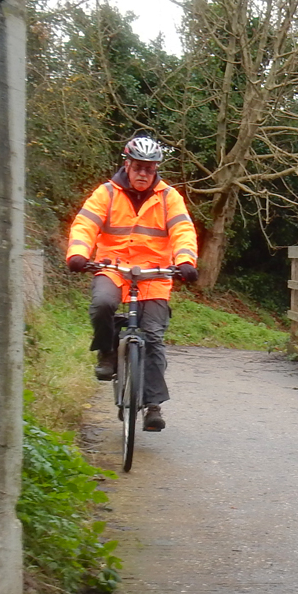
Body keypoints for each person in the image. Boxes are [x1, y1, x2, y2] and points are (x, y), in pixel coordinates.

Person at [66, 136, 199, 432]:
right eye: (138, 167)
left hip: (155, 274)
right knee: (103, 304)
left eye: (149, 169)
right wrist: (78, 254)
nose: (143, 174)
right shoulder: (107, 194)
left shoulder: (168, 197)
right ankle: (107, 351)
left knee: (152, 336)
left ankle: (153, 405)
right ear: (127, 164)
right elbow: (85, 224)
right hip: (112, 268)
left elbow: (183, 230)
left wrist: (187, 261)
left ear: (156, 170)